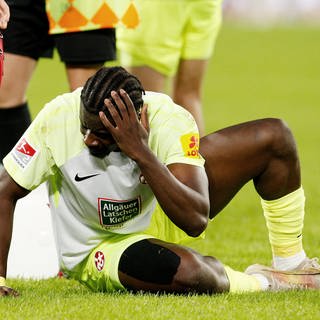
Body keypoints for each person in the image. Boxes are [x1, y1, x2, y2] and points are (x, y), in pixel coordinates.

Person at [0, 66, 319, 297]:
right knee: (195, 274)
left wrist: (140, 151)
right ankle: (265, 282)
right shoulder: (57, 119)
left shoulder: (169, 118)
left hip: (163, 204)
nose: (88, 140)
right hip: (103, 243)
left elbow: (196, 219)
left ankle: (292, 265)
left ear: (138, 121)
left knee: (274, 137)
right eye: (85, 128)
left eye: (100, 134)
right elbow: (4, 191)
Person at [0, 0, 139, 163]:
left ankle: (81, 183)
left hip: (84, 5)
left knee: (85, 103)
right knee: (4, 95)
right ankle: (16, 174)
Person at [117, 0, 223, 137]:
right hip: (204, 4)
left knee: (144, 103)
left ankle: (157, 158)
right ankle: (191, 158)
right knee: (188, 97)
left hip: (157, 7)